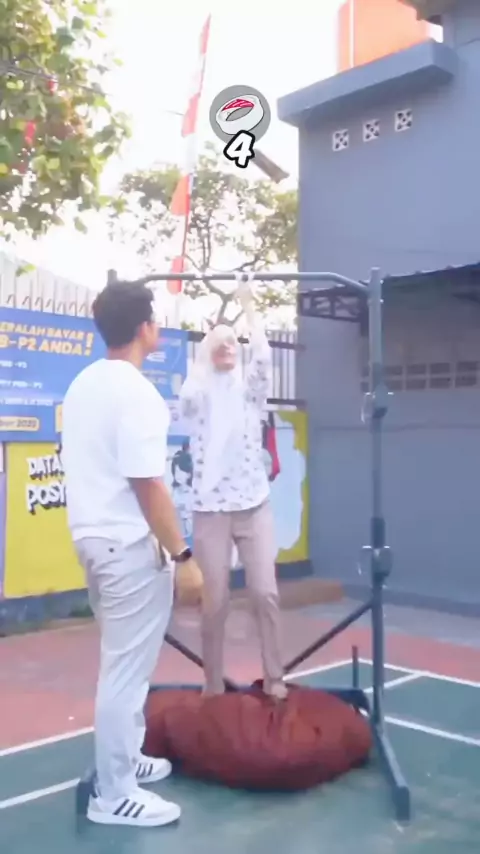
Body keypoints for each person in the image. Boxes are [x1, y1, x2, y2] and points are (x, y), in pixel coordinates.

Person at [61, 280, 202, 828]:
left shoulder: (83, 385)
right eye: (155, 318)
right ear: (145, 327)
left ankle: (129, 758)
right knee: (124, 671)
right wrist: (184, 557)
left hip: (94, 542)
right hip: (127, 547)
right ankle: (115, 794)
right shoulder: (138, 393)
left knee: (126, 664)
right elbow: (148, 485)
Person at [179, 282, 287, 700]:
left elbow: (263, 356)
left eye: (231, 342)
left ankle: (275, 677)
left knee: (265, 592)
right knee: (215, 600)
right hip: (211, 510)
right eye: (217, 344)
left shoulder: (250, 395)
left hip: (253, 506)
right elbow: (189, 393)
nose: (226, 347)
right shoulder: (198, 396)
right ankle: (212, 682)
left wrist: (248, 306)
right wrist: (207, 345)